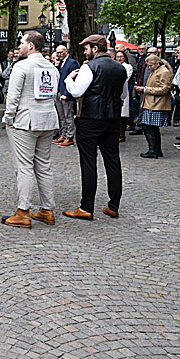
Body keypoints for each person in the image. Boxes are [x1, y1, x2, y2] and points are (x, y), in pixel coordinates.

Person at [62, 34, 128, 220]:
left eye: (86, 49)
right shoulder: (120, 68)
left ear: (95, 48)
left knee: (88, 162)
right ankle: (113, 206)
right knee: (113, 161)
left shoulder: (89, 67)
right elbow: (123, 95)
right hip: (112, 119)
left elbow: (76, 91)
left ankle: (86, 207)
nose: (85, 52)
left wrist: (68, 79)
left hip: (90, 118)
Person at [1, 31, 59, 228]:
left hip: (25, 121)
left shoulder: (22, 66)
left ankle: (23, 211)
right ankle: (47, 210)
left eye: (22, 43)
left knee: (24, 166)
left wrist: (8, 119)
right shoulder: (52, 67)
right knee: (44, 166)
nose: (19, 46)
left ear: (31, 46)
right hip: (47, 120)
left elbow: (13, 97)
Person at [133, 54, 172, 159]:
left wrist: (145, 89)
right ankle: (156, 150)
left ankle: (154, 150)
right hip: (152, 103)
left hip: (157, 104)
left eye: (151, 65)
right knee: (151, 128)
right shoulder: (157, 70)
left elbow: (165, 89)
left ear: (157, 63)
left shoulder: (164, 72)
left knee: (149, 127)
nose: (149, 68)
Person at [53, 45, 80, 147]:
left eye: (61, 52)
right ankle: (63, 134)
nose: (59, 54)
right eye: (57, 52)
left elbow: (73, 79)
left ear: (66, 52)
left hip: (66, 94)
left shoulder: (72, 63)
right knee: (61, 116)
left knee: (68, 116)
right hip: (59, 92)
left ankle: (69, 136)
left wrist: (66, 93)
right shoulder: (60, 63)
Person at [113, 51, 133, 144]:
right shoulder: (114, 65)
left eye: (121, 56)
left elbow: (125, 78)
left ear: (125, 57)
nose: (119, 58)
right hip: (114, 92)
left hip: (123, 90)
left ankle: (121, 134)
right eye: (118, 57)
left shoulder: (128, 67)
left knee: (123, 114)